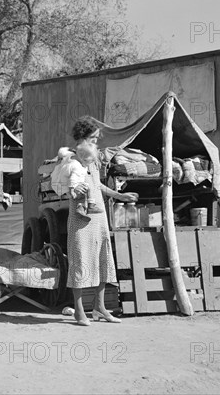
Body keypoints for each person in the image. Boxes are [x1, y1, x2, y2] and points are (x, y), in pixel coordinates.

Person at [65, 116, 138, 326]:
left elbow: (97, 186)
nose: (96, 142)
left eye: (97, 138)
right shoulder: (72, 159)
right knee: (80, 261)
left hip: (99, 218)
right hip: (81, 218)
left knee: (102, 259)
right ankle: (79, 311)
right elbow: (64, 184)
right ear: (83, 137)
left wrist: (120, 196)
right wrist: (72, 190)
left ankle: (100, 307)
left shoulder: (93, 159)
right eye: (93, 138)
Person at [59, 142, 103, 219]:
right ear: (84, 159)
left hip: (75, 186)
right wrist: (72, 190)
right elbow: (72, 179)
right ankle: (90, 206)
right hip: (73, 187)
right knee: (87, 190)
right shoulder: (77, 166)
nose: (90, 164)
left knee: (85, 194)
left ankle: (82, 209)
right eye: (90, 161)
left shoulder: (81, 164)